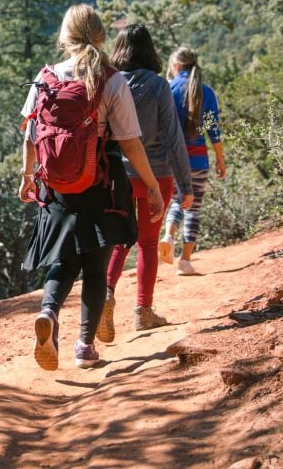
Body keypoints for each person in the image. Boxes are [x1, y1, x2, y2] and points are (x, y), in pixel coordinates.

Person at [19, 4, 164, 370]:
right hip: (102, 181)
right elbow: (130, 141)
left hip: (56, 187)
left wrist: (26, 179)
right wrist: (151, 185)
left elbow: (31, 136)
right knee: (95, 266)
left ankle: (49, 315)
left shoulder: (46, 77)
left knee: (63, 261)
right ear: (100, 36)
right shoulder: (111, 79)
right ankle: (84, 346)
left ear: (64, 37)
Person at [98, 24, 194, 341]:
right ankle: (144, 311)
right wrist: (186, 184)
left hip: (118, 175)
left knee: (120, 240)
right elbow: (173, 136)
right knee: (148, 244)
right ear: (150, 50)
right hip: (157, 175)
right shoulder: (157, 85)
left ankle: (107, 295)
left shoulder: (109, 82)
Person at [158, 46, 226, 276]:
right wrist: (220, 160)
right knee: (193, 207)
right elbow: (214, 131)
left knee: (177, 201)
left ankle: (168, 235)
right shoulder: (207, 92)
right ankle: (185, 261)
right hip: (198, 160)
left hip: (172, 160)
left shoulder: (167, 88)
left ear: (176, 65)